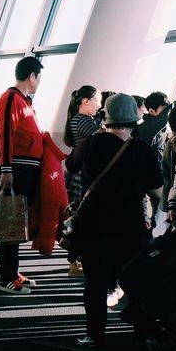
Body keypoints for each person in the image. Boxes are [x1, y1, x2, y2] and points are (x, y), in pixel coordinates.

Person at [68, 93, 162, 347]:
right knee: (136, 280)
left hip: (94, 225)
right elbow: (156, 190)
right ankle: (144, 333)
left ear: (106, 119)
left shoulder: (90, 144)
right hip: (130, 226)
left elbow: (71, 167)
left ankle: (95, 333)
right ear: (134, 120)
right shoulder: (142, 150)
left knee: (95, 282)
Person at [0, 56, 45, 295]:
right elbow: (5, 133)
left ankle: (12, 272)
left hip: (26, 167)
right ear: (32, 76)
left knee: (17, 223)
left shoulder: (24, 101)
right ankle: (6, 276)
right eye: (39, 77)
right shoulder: (11, 98)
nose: (39, 83)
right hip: (18, 168)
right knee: (11, 223)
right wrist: (6, 169)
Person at [64, 85, 101, 277]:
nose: (99, 105)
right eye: (96, 101)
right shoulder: (84, 121)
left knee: (79, 217)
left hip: (78, 175)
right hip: (83, 177)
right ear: (86, 102)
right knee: (82, 219)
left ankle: (76, 261)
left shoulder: (76, 119)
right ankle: (75, 263)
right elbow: (102, 137)